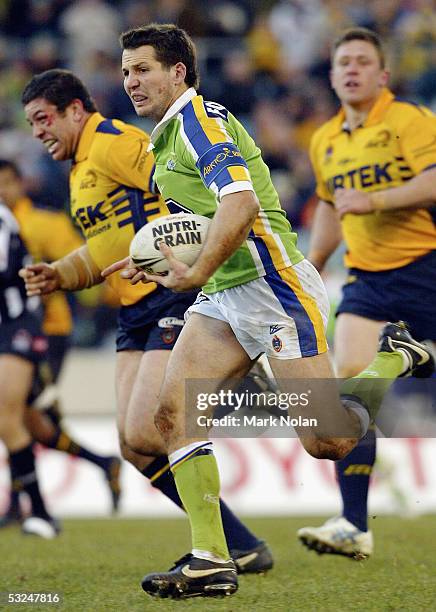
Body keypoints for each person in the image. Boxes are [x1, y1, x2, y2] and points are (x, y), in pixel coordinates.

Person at [101, 24, 434, 599]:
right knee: (171, 416)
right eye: (126, 71)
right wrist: (156, 259)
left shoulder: (197, 123)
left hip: (274, 288)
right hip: (226, 297)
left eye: (143, 69)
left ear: (177, 71)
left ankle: (393, 361)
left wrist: (198, 269)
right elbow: (198, 222)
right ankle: (211, 560)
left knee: (327, 441)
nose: (131, 80)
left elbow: (242, 201)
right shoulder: (165, 135)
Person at [19, 69, 273, 573]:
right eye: (30, 124)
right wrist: (61, 273)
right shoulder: (79, 170)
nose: (37, 132)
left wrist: (185, 255)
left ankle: (248, 386)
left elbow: (188, 192)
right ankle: (242, 545)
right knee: (134, 447)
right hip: (131, 310)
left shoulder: (115, 142)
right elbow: (107, 248)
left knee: (151, 427)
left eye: (43, 119)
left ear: (75, 109)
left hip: (168, 296)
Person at [297, 27, 436, 559]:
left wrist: (374, 200)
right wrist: (312, 266)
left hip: (426, 266)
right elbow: (333, 206)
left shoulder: (410, 120)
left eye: (362, 61)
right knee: (347, 392)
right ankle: (354, 523)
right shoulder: (324, 139)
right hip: (368, 280)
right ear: (332, 77)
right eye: (343, 62)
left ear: (383, 74)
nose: (351, 69)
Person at [0, 159, 122, 527]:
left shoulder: (44, 224)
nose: (3, 190)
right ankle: (101, 464)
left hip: (47, 331)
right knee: (33, 423)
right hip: (14, 330)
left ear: (21, 184)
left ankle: (29, 507)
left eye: (8, 182)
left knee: (15, 415)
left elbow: (82, 265)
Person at [0, 199, 59, 538]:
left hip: (18, 325)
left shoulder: (2, 217)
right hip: (7, 329)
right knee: (32, 424)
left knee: (8, 420)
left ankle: (40, 513)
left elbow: (5, 268)